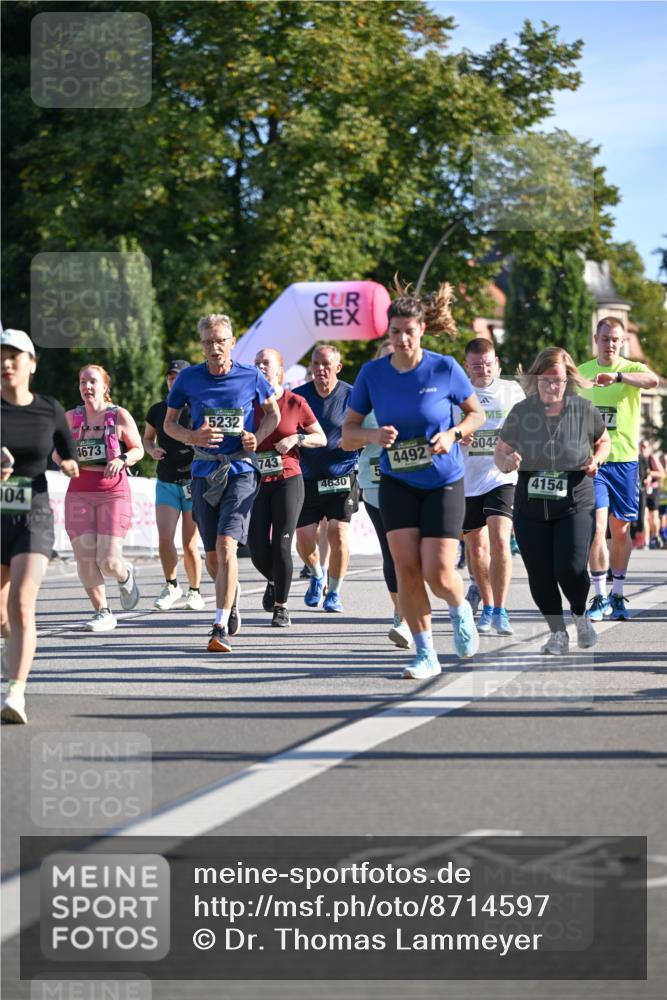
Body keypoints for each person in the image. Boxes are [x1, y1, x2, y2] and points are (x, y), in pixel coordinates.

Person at [342, 282, 485, 680]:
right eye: (395, 331)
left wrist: (453, 434)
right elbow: (347, 434)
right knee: (406, 568)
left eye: (409, 331)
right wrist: (373, 436)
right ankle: (426, 654)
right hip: (397, 481)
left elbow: (476, 415)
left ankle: (459, 609)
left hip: (443, 480)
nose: (402, 339)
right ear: (387, 333)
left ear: (421, 330)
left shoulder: (444, 368)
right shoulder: (373, 374)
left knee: (438, 571)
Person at [164, 313, 280, 653]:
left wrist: (256, 437)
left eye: (220, 341)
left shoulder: (251, 376)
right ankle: (231, 597)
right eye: (208, 342)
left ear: (232, 342)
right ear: (201, 345)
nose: (214, 348)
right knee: (213, 557)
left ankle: (219, 625)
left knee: (228, 546)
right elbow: (170, 423)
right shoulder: (188, 379)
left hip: (241, 469)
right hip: (204, 470)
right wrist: (191, 435)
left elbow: (272, 414)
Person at [494, 348, 611, 655]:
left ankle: (579, 613)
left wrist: (596, 460)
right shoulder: (522, 411)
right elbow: (500, 450)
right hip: (530, 506)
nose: (552, 386)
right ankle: (557, 633)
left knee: (569, 569)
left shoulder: (584, 410)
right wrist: (507, 462)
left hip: (574, 501)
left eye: (558, 380)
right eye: (546, 380)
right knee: (540, 572)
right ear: (536, 379)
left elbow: (603, 441)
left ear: (568, 379)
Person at [1, 329, 79, 723]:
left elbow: (70, 454)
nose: (6, 363)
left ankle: (16, 692)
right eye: (1, 356)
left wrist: (67, 464)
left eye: (15, 356)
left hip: (33, 516)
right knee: (2, 615)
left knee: (21, 603)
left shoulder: (49, 409)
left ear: (32, 364)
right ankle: (10, 649)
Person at [578, 317, 660, 620]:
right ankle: (599, 596)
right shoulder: (583, 372)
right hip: (593, 463)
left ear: (621, 341)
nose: (610, 343)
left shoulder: (632, 370)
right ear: (595, 339)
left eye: (615, 339)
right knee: (596, 528)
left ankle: (618, 594)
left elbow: (653, 381)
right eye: (605, 338)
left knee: (620, 531)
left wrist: (619, 379)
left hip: (625, 461)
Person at [60, 365, 143, 631]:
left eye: (93, 381)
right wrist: (64, 461)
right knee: (84, 556)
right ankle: (102, 612)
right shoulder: (70, 417)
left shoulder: (119, 415)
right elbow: (56, 452)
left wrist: (122, 459)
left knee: (108, 561)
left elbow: (138, 449)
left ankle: (124, 573)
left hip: (113, 493)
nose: (87, 387)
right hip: (79, 493)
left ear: (105, 386)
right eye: (82, 381)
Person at [249, 348, 326, 627]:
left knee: (282, 543)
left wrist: (297, 439)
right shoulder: (248, 402)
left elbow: (321, 438)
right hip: (256, 481)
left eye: (265, 362)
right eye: (256, 362)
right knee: (256, 546)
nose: (260, 366)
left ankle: (281, 606)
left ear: (280, 370)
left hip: (288, 480)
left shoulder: (295, 402)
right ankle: (273, 578)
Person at [459, 338, 524, 635]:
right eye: (476, 365)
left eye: (488, 363)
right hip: (466, 479)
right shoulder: (458, 394)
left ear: (497, 363)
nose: (483, 369)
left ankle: (500, 608)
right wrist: (458, 434)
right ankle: (486, 606)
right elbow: (444, 430)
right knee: (477, 548)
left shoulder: (512, 390)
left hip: (502, 476)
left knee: (499, 541)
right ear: (466, 367)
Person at [293, 344, 360, 614]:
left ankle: (334, 591)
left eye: (326, 364)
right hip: (307, 477)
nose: (320, 369)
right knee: (305, 538)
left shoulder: (353, 397)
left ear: (338, 367)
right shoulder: (298, 397)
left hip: (341, 476)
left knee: (339, 535)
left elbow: (367, 429)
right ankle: (316, 573)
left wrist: (356, 442)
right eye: (315, 364)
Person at [357, 339, 412, 648]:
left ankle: (409, 611)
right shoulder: (366, 396)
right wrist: (371, 435)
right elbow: (347, 438)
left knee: (412, 555)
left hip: (414, 481)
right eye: (384, 360)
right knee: (392, 551)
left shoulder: (419, 392)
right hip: (376, 482)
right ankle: (402, 614)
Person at [144, 360, 205, 611]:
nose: (173, 381)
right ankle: (171, 585)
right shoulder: (158, 410)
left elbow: (212, 437)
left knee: (189, 542)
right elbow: (147, 438)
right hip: (166, 480)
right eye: (170, 377)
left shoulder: (199, 408)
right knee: (165, 537)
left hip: (193, 480)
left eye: (178, 377)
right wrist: (152, 450)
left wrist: (197, 445)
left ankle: (195, 591)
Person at [637, 439, 664, 549]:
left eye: (645, 446)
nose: (643, 448)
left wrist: (650, 474)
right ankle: (646, 542)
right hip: (643, 490)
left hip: (653, 490)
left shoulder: (652, 458)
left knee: (654, 518)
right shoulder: (638, 458)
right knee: (644, 517)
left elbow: (662, 473)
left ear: (649, 448)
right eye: (641, 446)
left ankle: (656, 535)